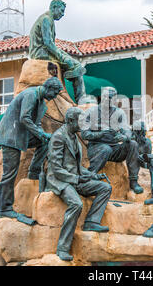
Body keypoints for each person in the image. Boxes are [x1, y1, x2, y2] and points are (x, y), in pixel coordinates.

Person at [43, 107, 111, 261]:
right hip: (60, 180)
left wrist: (93, 175)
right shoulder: (58, 137)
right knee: (76, 204)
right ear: (71, 120)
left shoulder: (75, 138)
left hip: (75, 178)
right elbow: (56, 168)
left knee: (105, 188)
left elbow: (78, 167)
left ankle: (91, 222)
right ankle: (62, 247)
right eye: (80, 121)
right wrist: (76, 179)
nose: (83, 124)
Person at [0, 77, 64, 219]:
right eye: (54, 93)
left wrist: (44, 135)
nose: (54, 97)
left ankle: (34, 172)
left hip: (20, 136)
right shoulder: (31, 95)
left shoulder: (41, 103)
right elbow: (24, 118)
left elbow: (36, 124)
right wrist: (41, 133)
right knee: (9, 174)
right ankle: (5, 209)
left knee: (44, 141)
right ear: (48, 88)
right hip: (10, 137)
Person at [81, 87, 144, 194]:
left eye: (112, 98)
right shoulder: (91, 112)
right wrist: (99, 134)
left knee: (132, 144)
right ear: (103, 97)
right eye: (107, 97)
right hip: (96, 148)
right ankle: (89, 177)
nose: (109, 100)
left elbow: (127, 131)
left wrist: (125, 137)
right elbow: (84, 134)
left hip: (115, 149)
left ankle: (133, 181)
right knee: (105, 148)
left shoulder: (119, 113)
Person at [29, 0, 86, 103]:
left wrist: (63, 55)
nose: (63, 14)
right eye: (62, 11)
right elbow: (48, 43)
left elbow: (51, 45)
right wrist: (63, 57)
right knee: (76, 66)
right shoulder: (46, 19)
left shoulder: (48, 19)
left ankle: (71, 76)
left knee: (75, 64)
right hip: (40, 53)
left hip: (45, 51)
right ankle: (81, 99)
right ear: (54, 8)